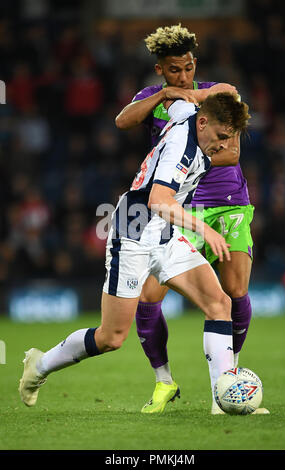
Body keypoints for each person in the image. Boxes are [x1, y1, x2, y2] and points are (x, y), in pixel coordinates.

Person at [19, 92, 250, 412]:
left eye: (230, 138)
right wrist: (204, 228)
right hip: (133, 235)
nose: (224, 145)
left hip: (165, 235)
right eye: (222, 136)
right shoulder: (180, 149)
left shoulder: (191, 113)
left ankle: (223, 397)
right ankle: (40, 365)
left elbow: (176, 103)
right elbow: (158, 200)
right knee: (111, 338)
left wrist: (171, 92)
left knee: (219, 302)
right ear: (203, 123)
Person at [115, 24, 268, 415]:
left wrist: (188, 98)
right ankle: (164, 381)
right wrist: (165, 97)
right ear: (159, 70)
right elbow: (122, 122)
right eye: (173, 71)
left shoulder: (217, 94)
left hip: (227, 201)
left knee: (233, 291)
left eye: (187, 69)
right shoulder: (153, 98)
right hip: (180, 207)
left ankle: (227, 383)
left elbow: (231, 153)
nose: (181, 76)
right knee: (148, 298)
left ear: (194, 64)